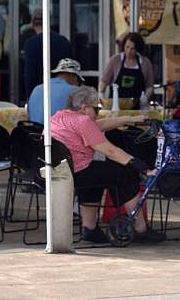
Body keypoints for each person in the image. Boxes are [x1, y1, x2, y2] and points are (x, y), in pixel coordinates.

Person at [49, 86, 162, 244]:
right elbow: (110, 151)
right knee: (126, 173)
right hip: (74, 173)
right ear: (84, 107)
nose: (98, 113)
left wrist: (129, 119)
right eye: (96, 109)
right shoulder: (83, 121)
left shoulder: (59, 117)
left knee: (96, 174)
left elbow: (98, 126)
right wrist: (142, 167)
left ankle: (89, 229)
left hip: (57, 171)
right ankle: (140, 229)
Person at [23, 10, 73, 101]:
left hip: (39, 92)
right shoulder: (63, 41)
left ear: (33, 25)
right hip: (62, 92)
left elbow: (30, 74)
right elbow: (72, 68)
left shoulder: (30, 43)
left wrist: (29, 97)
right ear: (49, 23)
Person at [99, 32, 154, 109]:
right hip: (116, 107)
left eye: (132, 49)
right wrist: (101, 95)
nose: (129, 51)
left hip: (137, 107)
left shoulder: (145, 63)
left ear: (138, 48)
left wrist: (145, 98)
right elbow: (104, 81)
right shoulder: (115, 60)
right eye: (127, 47)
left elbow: (149, 86)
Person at [27, 58, 83, 125]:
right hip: (57, 134)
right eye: (78, 80)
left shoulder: (37, 88)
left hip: (34, 133)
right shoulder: (75, 90)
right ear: (74, 76)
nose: (77, 83)